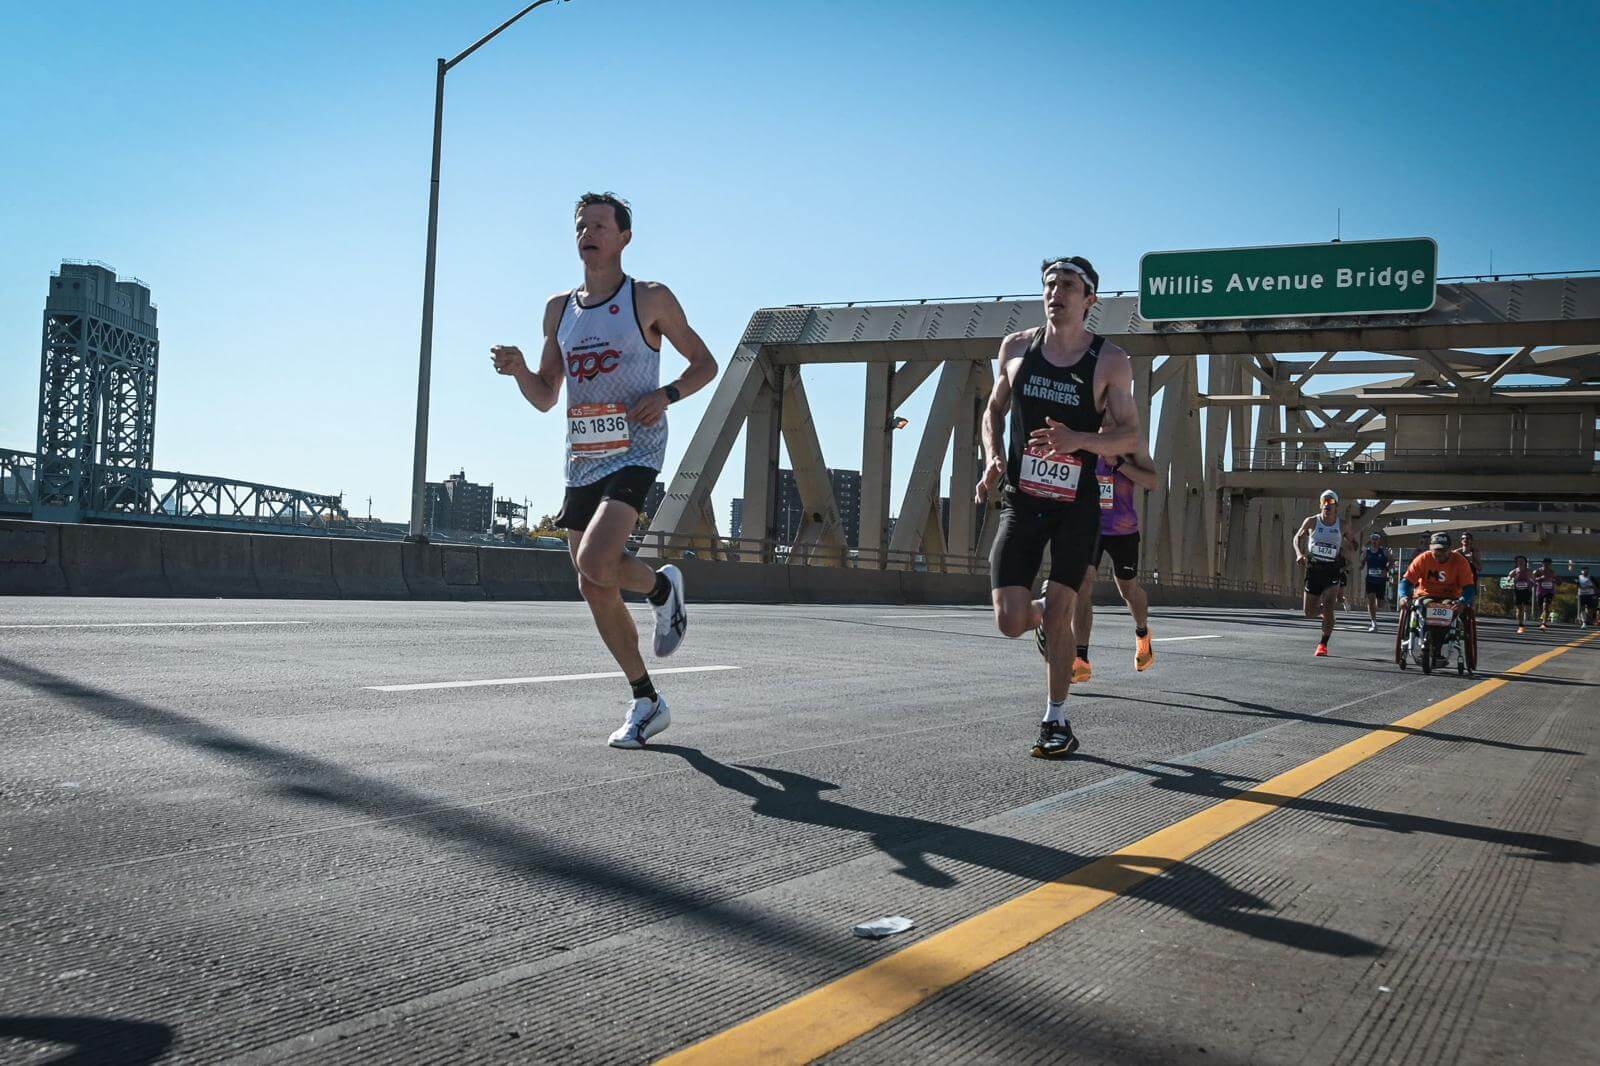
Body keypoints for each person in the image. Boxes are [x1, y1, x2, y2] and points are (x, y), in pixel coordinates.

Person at [490, 191, 718, 749]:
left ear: (623, 237)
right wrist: (521, 369)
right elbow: (546, 396)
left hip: (636, 448)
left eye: (598, 224)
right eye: (580, 226)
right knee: (593, 583)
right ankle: (647, 694)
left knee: (596, 560)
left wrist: (666, 395)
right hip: (582, 458)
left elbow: (705, 364)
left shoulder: (649, 298)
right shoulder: (559, 310)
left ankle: (662, 599)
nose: (587, 233)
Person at [976, 256, 1141, 759]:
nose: (1056, 292)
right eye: (1050, 283)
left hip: (1077, 506)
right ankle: (1045, 614)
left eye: (1068, 285)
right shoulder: (1016, 348)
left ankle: (1056, 719)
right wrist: (993, 456)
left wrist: (1079, 439)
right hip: (1024, 501)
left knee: (1066, 607)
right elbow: (994, 409)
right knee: (1008, 620)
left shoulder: (1110, 360)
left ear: (1090, 299)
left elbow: (1130, 435)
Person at [1063, 423, 1158, 682]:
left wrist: (1118, 464)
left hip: (1123, 530)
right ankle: (1081, 658)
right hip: (1091, 527)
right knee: (1083, 584)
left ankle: (1142, 634)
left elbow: (1153, 482)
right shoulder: (1084, 444)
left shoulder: (1132, 446)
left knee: (1128, 590)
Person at [1293, 490, 1357, 657]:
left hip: (1331, 569)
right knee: (1308, 613)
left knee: (1329, 604)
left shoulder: (1342, 525)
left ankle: (1323, 644)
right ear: (1321, 505)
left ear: (1336, 507)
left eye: (1331, 504)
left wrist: (1348, 553)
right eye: (1325, 503)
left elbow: (1353, 543)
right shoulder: (1312, 521)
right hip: (1314, 569)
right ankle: (1325, 614)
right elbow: (1297, 537)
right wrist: (1299, 554)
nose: (1327, 506)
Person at [1399, 531, 1478, 664]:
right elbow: (1406, 581)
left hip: (1450, 596)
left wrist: (1463, 602)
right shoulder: (1423, 559)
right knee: (1424, 607)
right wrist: (1403, 596)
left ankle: (1436, 650)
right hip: (1425, 594)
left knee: (1447, 609)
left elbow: (1469, 588)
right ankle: (1426, 640)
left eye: (1443, 550)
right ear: (1431, 549)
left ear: (1449, 550)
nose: (1440, 554)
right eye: (1437, 551)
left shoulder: (1460, 561)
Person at [1361, 531, 1392, 632]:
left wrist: (1386, 570)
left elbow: (1392, 561)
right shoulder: (1367, 551)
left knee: (1379, 605)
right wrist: (1360, 566)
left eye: (1376, 538)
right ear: (1370, 539)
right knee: (1370, 600)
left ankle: (1384, 601)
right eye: (1372, 538)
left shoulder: (1384, 552)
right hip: (1370, 579)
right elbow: (1362, 561)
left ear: (1379, 540)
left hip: (1381, 580)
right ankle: (1373, 622)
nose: (1374, 540)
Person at [1507, 554, 1534, 634]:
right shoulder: (1514, 571)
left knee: (1527, 607)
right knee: (1519, 608)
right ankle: (1520, 624)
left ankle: (1526, 614)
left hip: (1527, 591)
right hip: (1518, 591)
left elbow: (1534, 579)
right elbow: (1509, 577)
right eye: (1519, 561)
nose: (1520, 562)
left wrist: (1533, 581)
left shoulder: (1529, 571)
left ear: (1525, 562)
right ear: (1516, 562)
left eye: (1522, 561)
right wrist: (1509, 579)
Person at [1532, 557, 1559, 629]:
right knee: (1540, 607)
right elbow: (1532, 580)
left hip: (1549, 591)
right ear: (1542, 563)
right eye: (1545, 563)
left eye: (1548, 563)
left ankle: (1544, 623)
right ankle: (1543, 617)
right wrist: (1540, 578)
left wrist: (1555, 580)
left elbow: (1559, 581)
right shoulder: (1537, 571)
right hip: (1540, 592)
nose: (1547, 565)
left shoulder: (1552, 572)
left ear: (1550, 564)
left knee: (1546, 606)